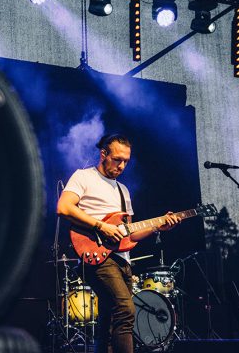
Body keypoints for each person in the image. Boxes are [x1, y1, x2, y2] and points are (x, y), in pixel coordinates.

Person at [56, 133, 181, 353]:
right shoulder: (84, 177)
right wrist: (101, 226)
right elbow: (64, 207)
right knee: (125, 309)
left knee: (110, 318)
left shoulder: (123, 191)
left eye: (126, 161)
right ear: (103, 154)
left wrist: (156, 227)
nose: (122, 165)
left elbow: (129, 235)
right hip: (96, 256)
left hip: (122, 260)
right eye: (117, 159)